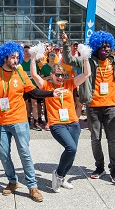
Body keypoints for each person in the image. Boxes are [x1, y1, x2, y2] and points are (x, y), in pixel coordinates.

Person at [0, 41, 65, 202]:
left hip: (19, 119)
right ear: (4, 57)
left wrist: (51, 93)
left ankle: (32, 186)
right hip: (0, 121)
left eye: (17, 57)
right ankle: (12, 181)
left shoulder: (20, 72)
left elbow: (33, 91)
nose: (15, 60)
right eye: (12, 57)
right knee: (3, 154)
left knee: (25, 154)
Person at [62, 31, 115, 184]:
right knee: (95, 139)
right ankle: (99, 167)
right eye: (103, 47)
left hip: (111, 107)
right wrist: (65, 44)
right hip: (93, 107)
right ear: (97, 47)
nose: (107, 50)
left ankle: (114, 169)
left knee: (113, 139)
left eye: (108, 47)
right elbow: (68, 59)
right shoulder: (87, 60)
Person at [30, 48, 91, 192]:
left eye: (63, 75)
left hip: (73, 123)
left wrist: (85, 57)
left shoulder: (69, 84)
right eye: (58, 75)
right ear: (52, 75)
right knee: (71, 148)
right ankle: (57, 173)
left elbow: (86, 73)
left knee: (72, 152)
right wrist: (33, 57)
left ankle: (61, 177)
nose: (61, 77)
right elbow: (34, 74)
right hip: (57, 124)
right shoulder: (47, 86)